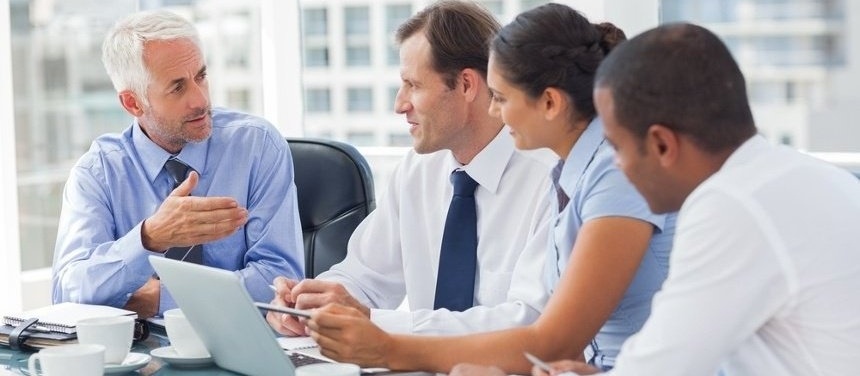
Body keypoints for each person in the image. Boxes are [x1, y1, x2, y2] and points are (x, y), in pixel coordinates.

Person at [303, 4, 676, 374]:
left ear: (549, 103)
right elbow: (569, 350)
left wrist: (388, 347)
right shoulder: (572, 171)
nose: (494, 113)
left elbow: (549, 337)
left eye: (500, 98)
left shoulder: (609, 172)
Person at [528, 23, 860, 376]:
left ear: (661, 145)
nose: (617, 168)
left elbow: (662, 367)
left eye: (617, 148)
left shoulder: (730, 205)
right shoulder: (797, 175)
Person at [266, 0, 552, 337]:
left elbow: (530, 321)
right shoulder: (418, 169)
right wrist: (309, 302)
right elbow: (363, 276)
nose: (399, 105)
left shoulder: (550, 178)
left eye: (413, 85)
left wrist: (371, 321)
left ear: (466, 85)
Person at [52, 9, 304, 318]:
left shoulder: (257, 146)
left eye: (201, 76)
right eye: (177, 87)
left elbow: (281, 280)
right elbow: (68, 292)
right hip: (138, 356)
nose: (200, 100)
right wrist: (150, 237)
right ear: (133, 103)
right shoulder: (98, 173)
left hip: (244, 345)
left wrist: (162, 299)